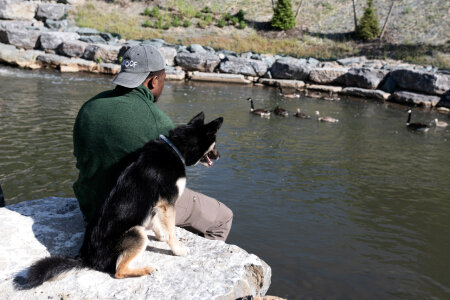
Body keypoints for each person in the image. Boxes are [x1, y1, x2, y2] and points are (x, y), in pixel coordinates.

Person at [72, 43, 233, 241]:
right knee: (222, 217)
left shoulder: (90, 106)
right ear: (154, 81)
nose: (163, 86)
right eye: (164, 80)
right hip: (127, 215)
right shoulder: (158, 121)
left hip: (90, 206)